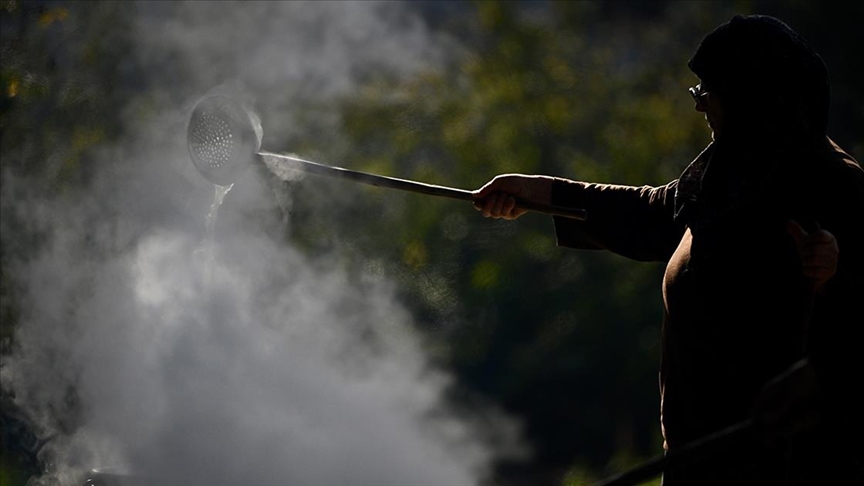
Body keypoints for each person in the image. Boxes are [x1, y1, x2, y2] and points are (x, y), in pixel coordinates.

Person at [472, 15, 863, 486]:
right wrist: (538, 192)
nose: (699, 105)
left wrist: (835, 270)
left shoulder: (835, 185)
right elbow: (652, 215)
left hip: (786, 466)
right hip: (698, 460)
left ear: (751, 96)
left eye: (708, 91)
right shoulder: (730, 173)